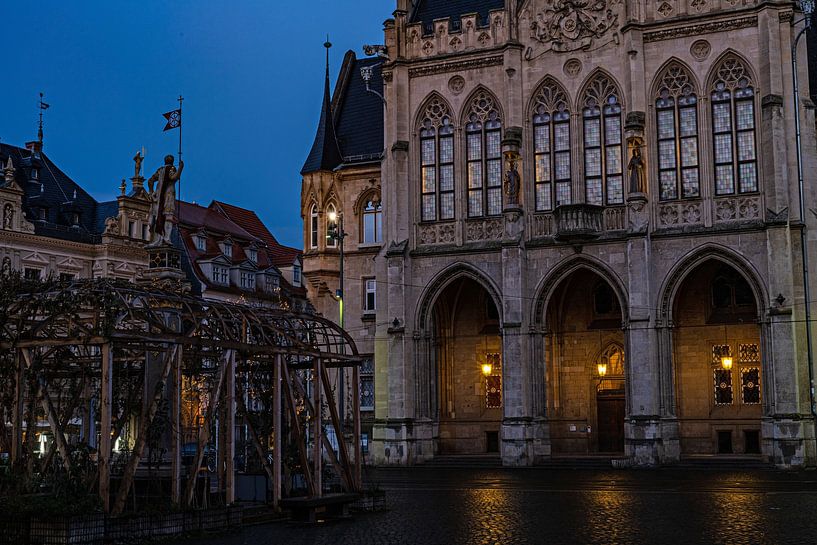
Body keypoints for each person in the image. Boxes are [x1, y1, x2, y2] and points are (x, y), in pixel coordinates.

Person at [147, 155, 184, 247]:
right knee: (168, 217)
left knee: (159, 217)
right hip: (168, 195)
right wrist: (180, 168)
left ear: (164, 161)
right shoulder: (171, 168)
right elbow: (173, 178)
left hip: (159, 197)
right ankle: (166, 238)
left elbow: (150, 181)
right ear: (172, 161)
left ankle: (160, 238)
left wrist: (151, 192)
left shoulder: (160, 170)